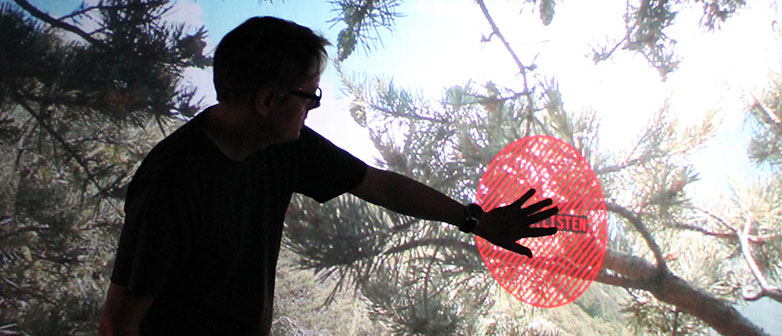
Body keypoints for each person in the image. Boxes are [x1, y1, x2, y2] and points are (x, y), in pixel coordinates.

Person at [98, 16, 558, 336]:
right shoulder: (172, 181)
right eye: (310, 95)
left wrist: (474, 221)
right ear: (266, 101)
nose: (314, 107)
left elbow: (380, 184)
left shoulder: (280, 145)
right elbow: (120, 323)